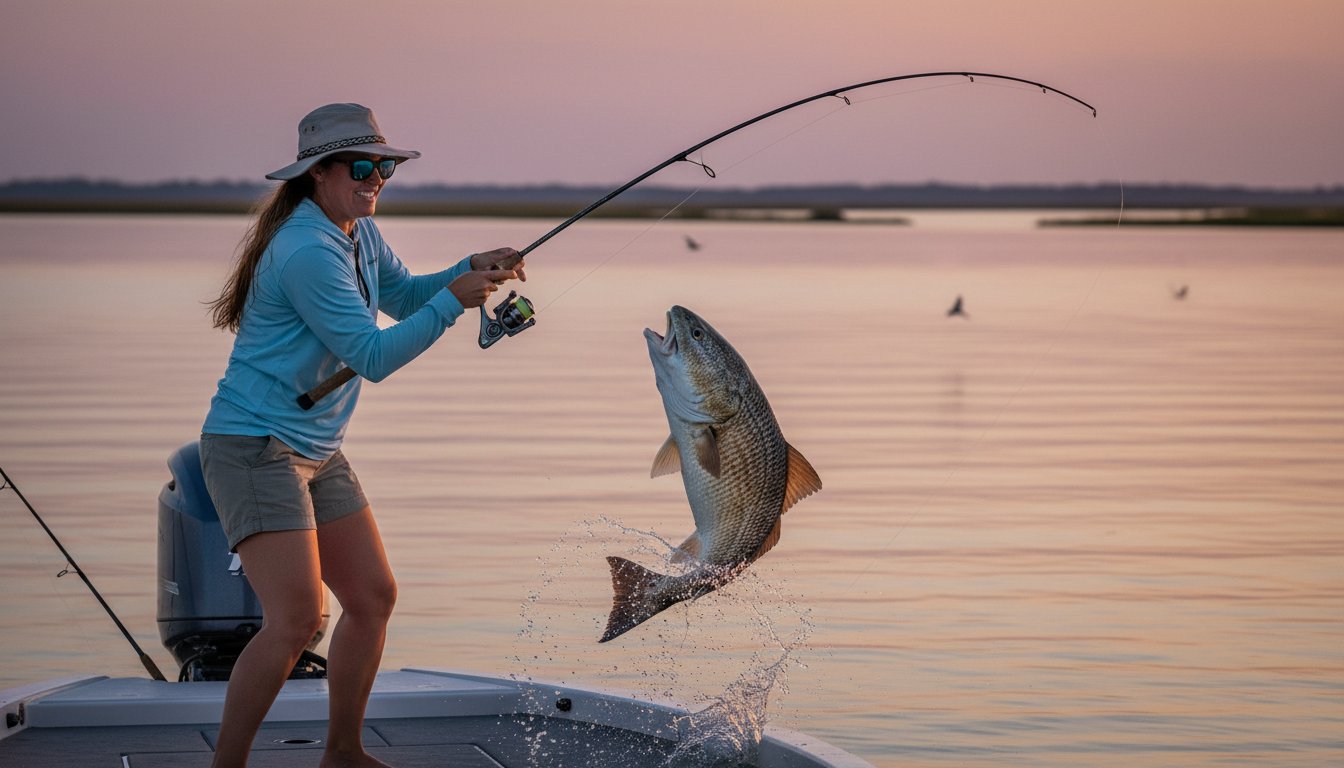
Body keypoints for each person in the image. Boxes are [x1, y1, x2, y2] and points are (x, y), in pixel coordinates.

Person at [200, 103, 525, 768]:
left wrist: (472, 268)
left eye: (387, 166)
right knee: (295, 621)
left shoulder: (354, 231)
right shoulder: (304, 250)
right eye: (364, 165)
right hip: (255, 446)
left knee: (373, 598)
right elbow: (372, 357)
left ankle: (343, 752)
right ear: (319, 173)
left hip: (315, 449)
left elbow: (405, 297)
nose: (378, 176)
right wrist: (454, 301)